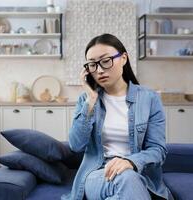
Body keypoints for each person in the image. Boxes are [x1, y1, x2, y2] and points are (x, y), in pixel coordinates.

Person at [61, 34, 173, 200]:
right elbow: (76, 145)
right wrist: (91, 101)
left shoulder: (149, 99)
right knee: (126, 178)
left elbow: (158, 150)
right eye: (92, 64)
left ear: (123, 58)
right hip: (98, 174)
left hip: (138, 173)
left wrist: (131, 162)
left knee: (127, 179)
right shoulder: (86, 100)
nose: (99, 70)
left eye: (105, 61)